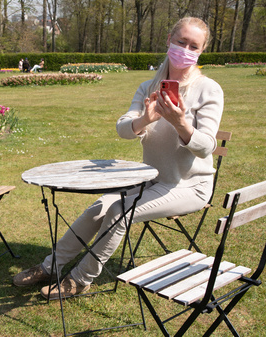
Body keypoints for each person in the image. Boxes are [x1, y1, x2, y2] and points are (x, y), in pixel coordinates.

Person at [13, 17, 224, 299]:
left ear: (202, 50)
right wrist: (144, 120)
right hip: (151, 179)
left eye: (193, 45)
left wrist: (180, 123)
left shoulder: (209, 89)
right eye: (180, 42)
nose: (185, 49)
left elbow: (206, 146)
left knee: (118, 211)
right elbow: (123, 128)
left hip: (188, 186)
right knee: (99, 207)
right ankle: (51, 266)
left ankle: (80, 279)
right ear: (169, 41)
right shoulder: (148, 87)